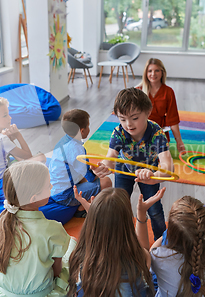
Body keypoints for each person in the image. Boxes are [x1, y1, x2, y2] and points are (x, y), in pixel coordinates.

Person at [0, 160, 75, 297]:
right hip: (42, 294)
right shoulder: (53, 230)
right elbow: (56, 271)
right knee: (72, 243)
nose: (51, 186)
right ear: (34, 198)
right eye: (48, 185)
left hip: (2, 292)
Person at [93, 88, 174, 240]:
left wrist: (155, 176)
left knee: (154, 210)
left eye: (134, 118)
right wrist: (104, 166)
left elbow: (168, 166)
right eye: (122, 119)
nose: (128, 124)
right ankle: (123, 239)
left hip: (149, 171)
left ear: (148, 112)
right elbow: (110, 157)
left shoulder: (157, 134)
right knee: (119, 206)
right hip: (124, 168)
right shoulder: (118, 133)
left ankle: (162, 242)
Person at [68, 187, 166, 297]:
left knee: (72, 240)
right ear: (127, 225)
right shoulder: (140, 258)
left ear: (91, 223)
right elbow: (143, 250)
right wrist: (141, 214)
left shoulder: (78, 257)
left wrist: (95, 215)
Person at [148, 196, 205, 297]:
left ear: (172, 235)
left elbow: (151, 251)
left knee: (153, 280)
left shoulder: (158, 256)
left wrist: (165, 234)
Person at [49, 109, 112, 217]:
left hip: (55, 189)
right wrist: (102, 171)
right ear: (82, 131)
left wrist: (92, 170)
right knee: (106, 182)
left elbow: (82, 171)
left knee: (87, 177)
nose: (89, 128)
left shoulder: (63, 141)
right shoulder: (77, 149)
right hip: (65, 196)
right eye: (88, 126)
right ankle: (83, 209)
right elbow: (91, 177)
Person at [0, 97, 45, 179]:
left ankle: (20, 161)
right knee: (41, 157)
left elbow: (4, 144)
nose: (10, 117)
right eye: (5, 115)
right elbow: (28, 155)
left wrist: (8, 138)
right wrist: (18, 135)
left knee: (13, 151)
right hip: (0, 176)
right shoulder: (2, 139)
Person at [137, 58, 185, 153]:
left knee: (157, 157)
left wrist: (179, 141)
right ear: (146, 73)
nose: (153, 74)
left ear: (162, 72)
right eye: (150, 71)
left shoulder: (168, 92)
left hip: (159, 132)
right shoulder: (138, 91)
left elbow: (173, 119)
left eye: (157, 70)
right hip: (140, 132)